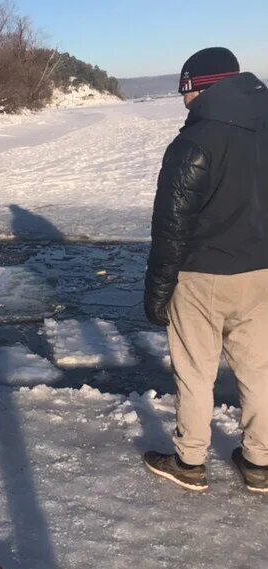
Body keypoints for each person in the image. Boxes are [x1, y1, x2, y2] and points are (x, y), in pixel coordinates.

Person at [143, 47, 268, 493]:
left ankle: (190, 460)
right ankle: (260, 462)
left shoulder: (195, 142)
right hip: (261, 273)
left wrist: (158, 290)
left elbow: (171, 224)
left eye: (187, 90)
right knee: (258, 370)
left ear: (204, 86)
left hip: (203, 277)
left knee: (196, 371)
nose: (184, 101)